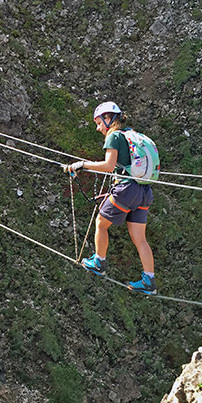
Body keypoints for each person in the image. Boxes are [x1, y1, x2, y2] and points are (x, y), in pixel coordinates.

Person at [63, 101, 157, 295]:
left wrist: (82, 165)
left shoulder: (114, 136)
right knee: (140, 238)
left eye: (99, 123)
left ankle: (99, 262)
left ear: (109, 119)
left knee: (101, 223)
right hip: (145, 192)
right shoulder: (131, 134)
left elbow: (108, 165)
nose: (98, 128)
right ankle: (149, 280)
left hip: (127, 189)